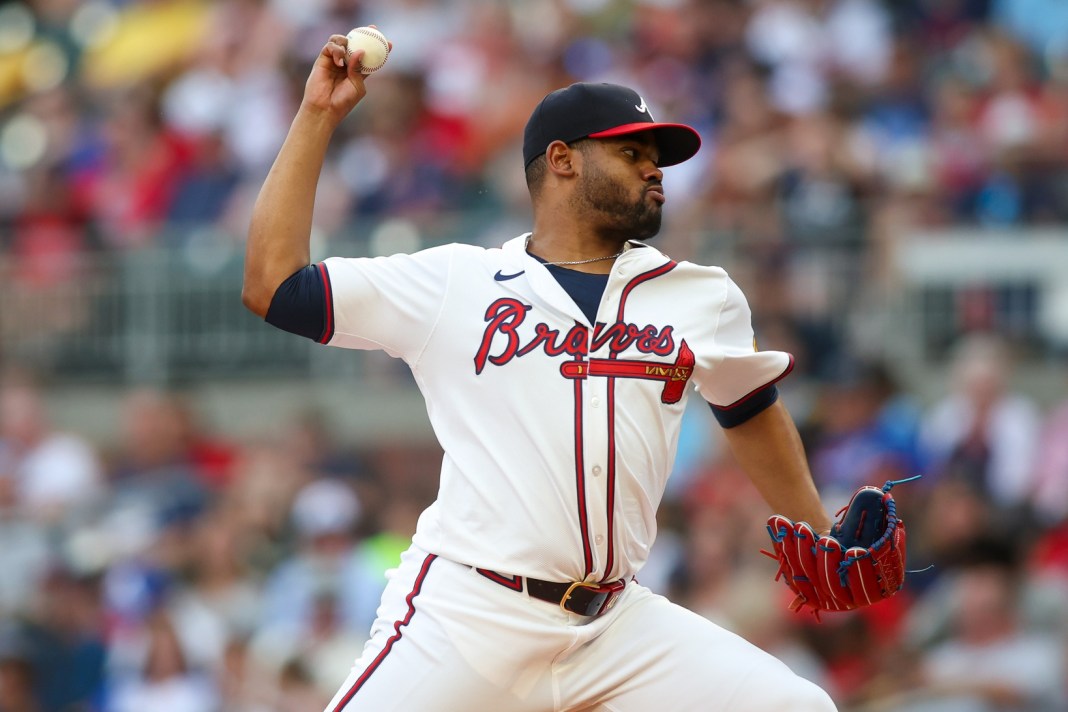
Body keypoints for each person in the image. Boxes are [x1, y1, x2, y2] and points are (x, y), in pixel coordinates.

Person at [242, 31, 839, 712]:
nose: (655, 170)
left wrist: (817, 527)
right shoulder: (456, 283)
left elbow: (749, 407)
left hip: (615, 626)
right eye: (631, 152)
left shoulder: (701, 295)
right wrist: (318, 114)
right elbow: (273, 284)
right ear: (561, 161)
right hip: (471, 615)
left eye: (656, 157)